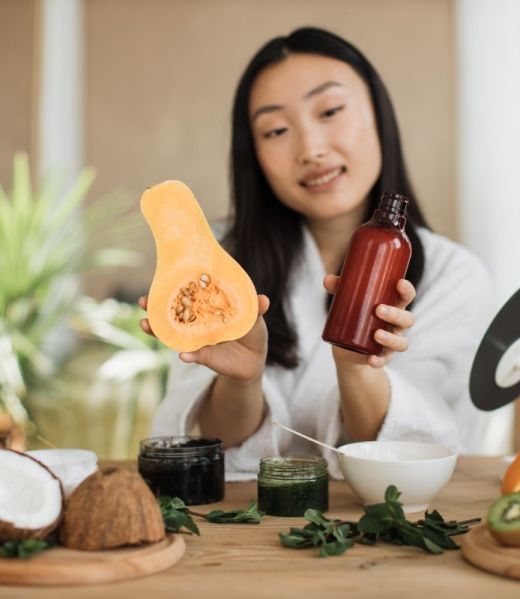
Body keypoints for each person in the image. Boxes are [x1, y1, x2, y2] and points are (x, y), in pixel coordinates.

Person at [140, 27, 494, 480]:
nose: (311, 149)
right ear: (254, 155)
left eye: (330, 111)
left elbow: (418, 454)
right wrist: (242, 380)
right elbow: (211, 445)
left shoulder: (455, 276)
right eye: (277, 130)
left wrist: (355, 367)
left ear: (378, 115)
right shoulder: (221, 266)